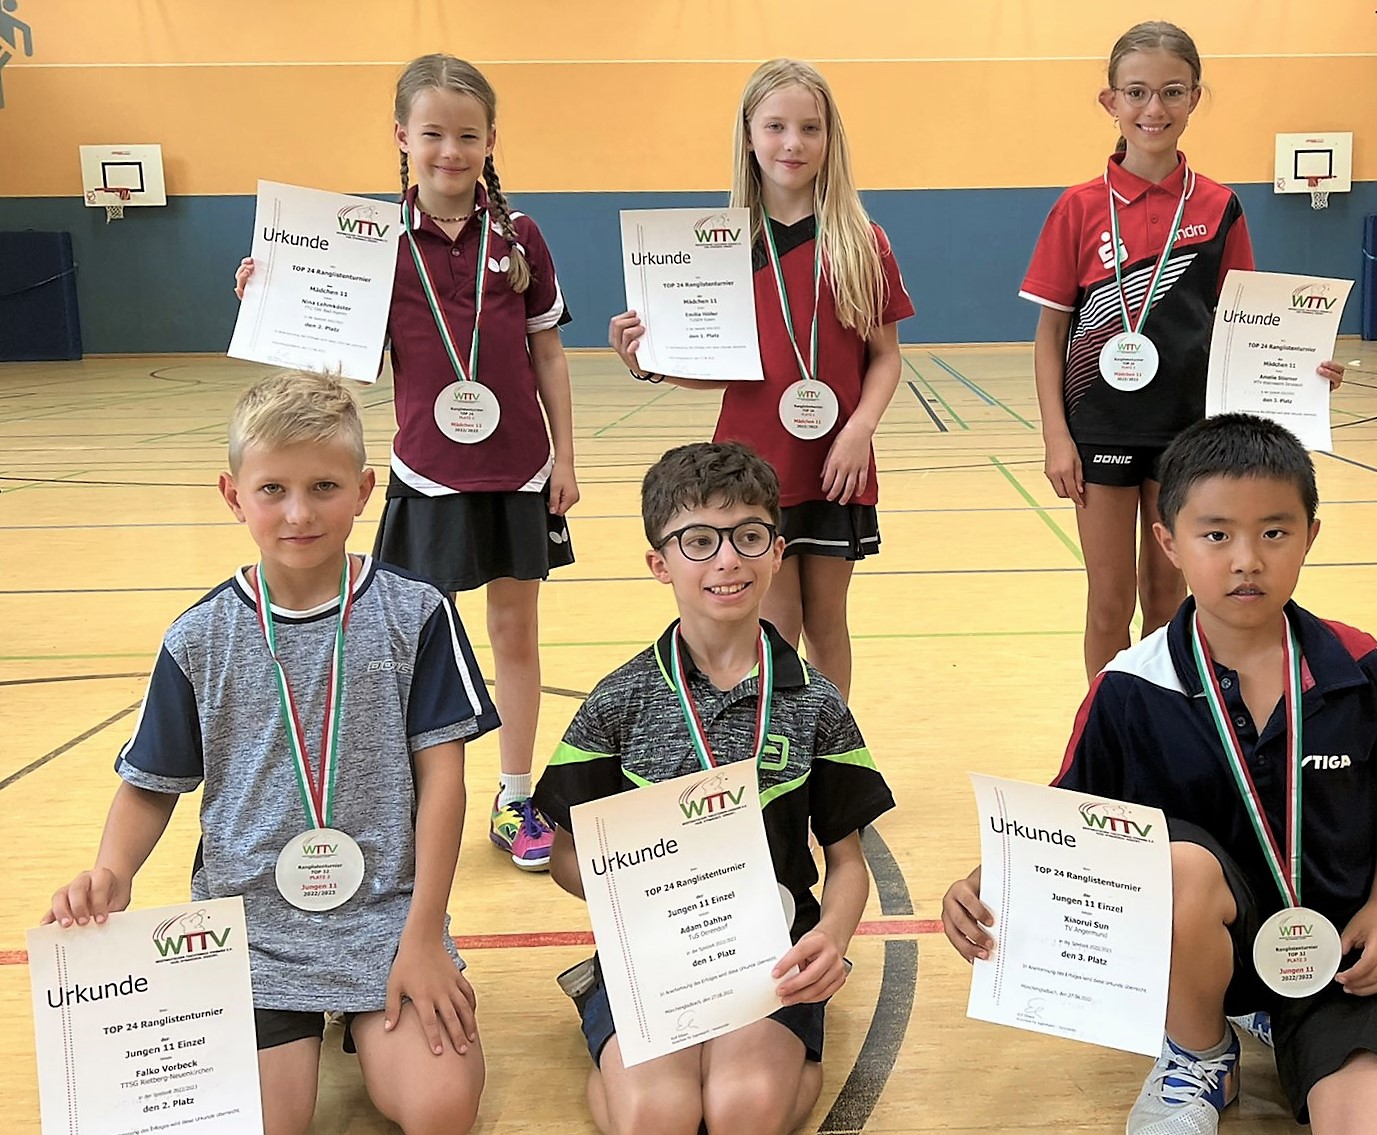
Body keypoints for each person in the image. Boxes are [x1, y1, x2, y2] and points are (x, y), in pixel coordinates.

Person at [941, 415, 1377, 1135]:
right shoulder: (1130, 687)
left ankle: (1289, 1022)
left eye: (1274, 532)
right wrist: (985, 882)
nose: (1247, 559)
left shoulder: (1358, 666)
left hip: (1331, 954)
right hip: (1192, 955)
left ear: (1310, 536)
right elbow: (1065, 823)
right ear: (1169, 543)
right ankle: (1199, 1053)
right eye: (1216, 534)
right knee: (1175, 865)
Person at [44, 372, 497, 1135]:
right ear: (234, 495)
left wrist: (423, 936)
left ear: (364, 489)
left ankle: (365, 1019)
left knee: (440, 1107)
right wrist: (113, 871)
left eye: (324, 486)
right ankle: (310, 1026)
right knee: (265, 1122)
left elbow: (443, 782)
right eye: (273, 489)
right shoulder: (198, 636)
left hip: (386, 916)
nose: (298, 512)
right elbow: (152, 783)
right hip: (250, 930)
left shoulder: (417, 613)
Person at [236, 53, 576, 871]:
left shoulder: (520, 237)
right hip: (426, 473)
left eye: (467, 135)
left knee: (515, 633)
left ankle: (515, 795)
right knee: (413, 644)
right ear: (402, 137)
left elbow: (549, 354)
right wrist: (270, 298)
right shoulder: (372, 242)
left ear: (490, 139)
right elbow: (342, 362)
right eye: (433, 134)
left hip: (519, 470)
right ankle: (410, 801)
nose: (450, 151)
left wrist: (565, 455)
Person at [534, 442, 895, 1135]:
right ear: (660, 563)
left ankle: (793, 1052)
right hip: (653, 954)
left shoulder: (816, 702)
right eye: (699, 541)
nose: (727, 559)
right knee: (657, 1116)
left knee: (741, 1110)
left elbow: (847, 860)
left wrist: (831, 935)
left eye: (748, 536)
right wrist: (645, 899)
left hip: (774, 955)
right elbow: (564, 855)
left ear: (777, 551)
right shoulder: (618, 701)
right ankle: (611, 1028)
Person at [1019, 21, 1346, 679]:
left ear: (1195, 97)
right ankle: (1108, 724)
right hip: (1100, 429)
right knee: (1108, 601)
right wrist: (1057, 436)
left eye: (1172, 91)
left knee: (1167, 595)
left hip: (1188, 432)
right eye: (1137, 92)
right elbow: (1051, 334)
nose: (1154, 108)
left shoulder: (1219, 206)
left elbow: (1247, 323)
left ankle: (1166, 715)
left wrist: (1302, 369)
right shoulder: (1078, 208)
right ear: (1111, 101)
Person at [607, 58, 914, 703]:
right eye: (775, 126)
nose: (792, 143)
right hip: (752, 467)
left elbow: (885, 356)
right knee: (774, 629)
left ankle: (830, 751)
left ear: (830, 138)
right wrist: (649, 360)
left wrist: (859, 431)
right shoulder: (719, 246)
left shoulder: (861, 241)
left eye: (810, 127)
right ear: (748, 135)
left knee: (828, 626)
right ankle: (770, 750)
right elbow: (725, 371)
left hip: (835, 463)